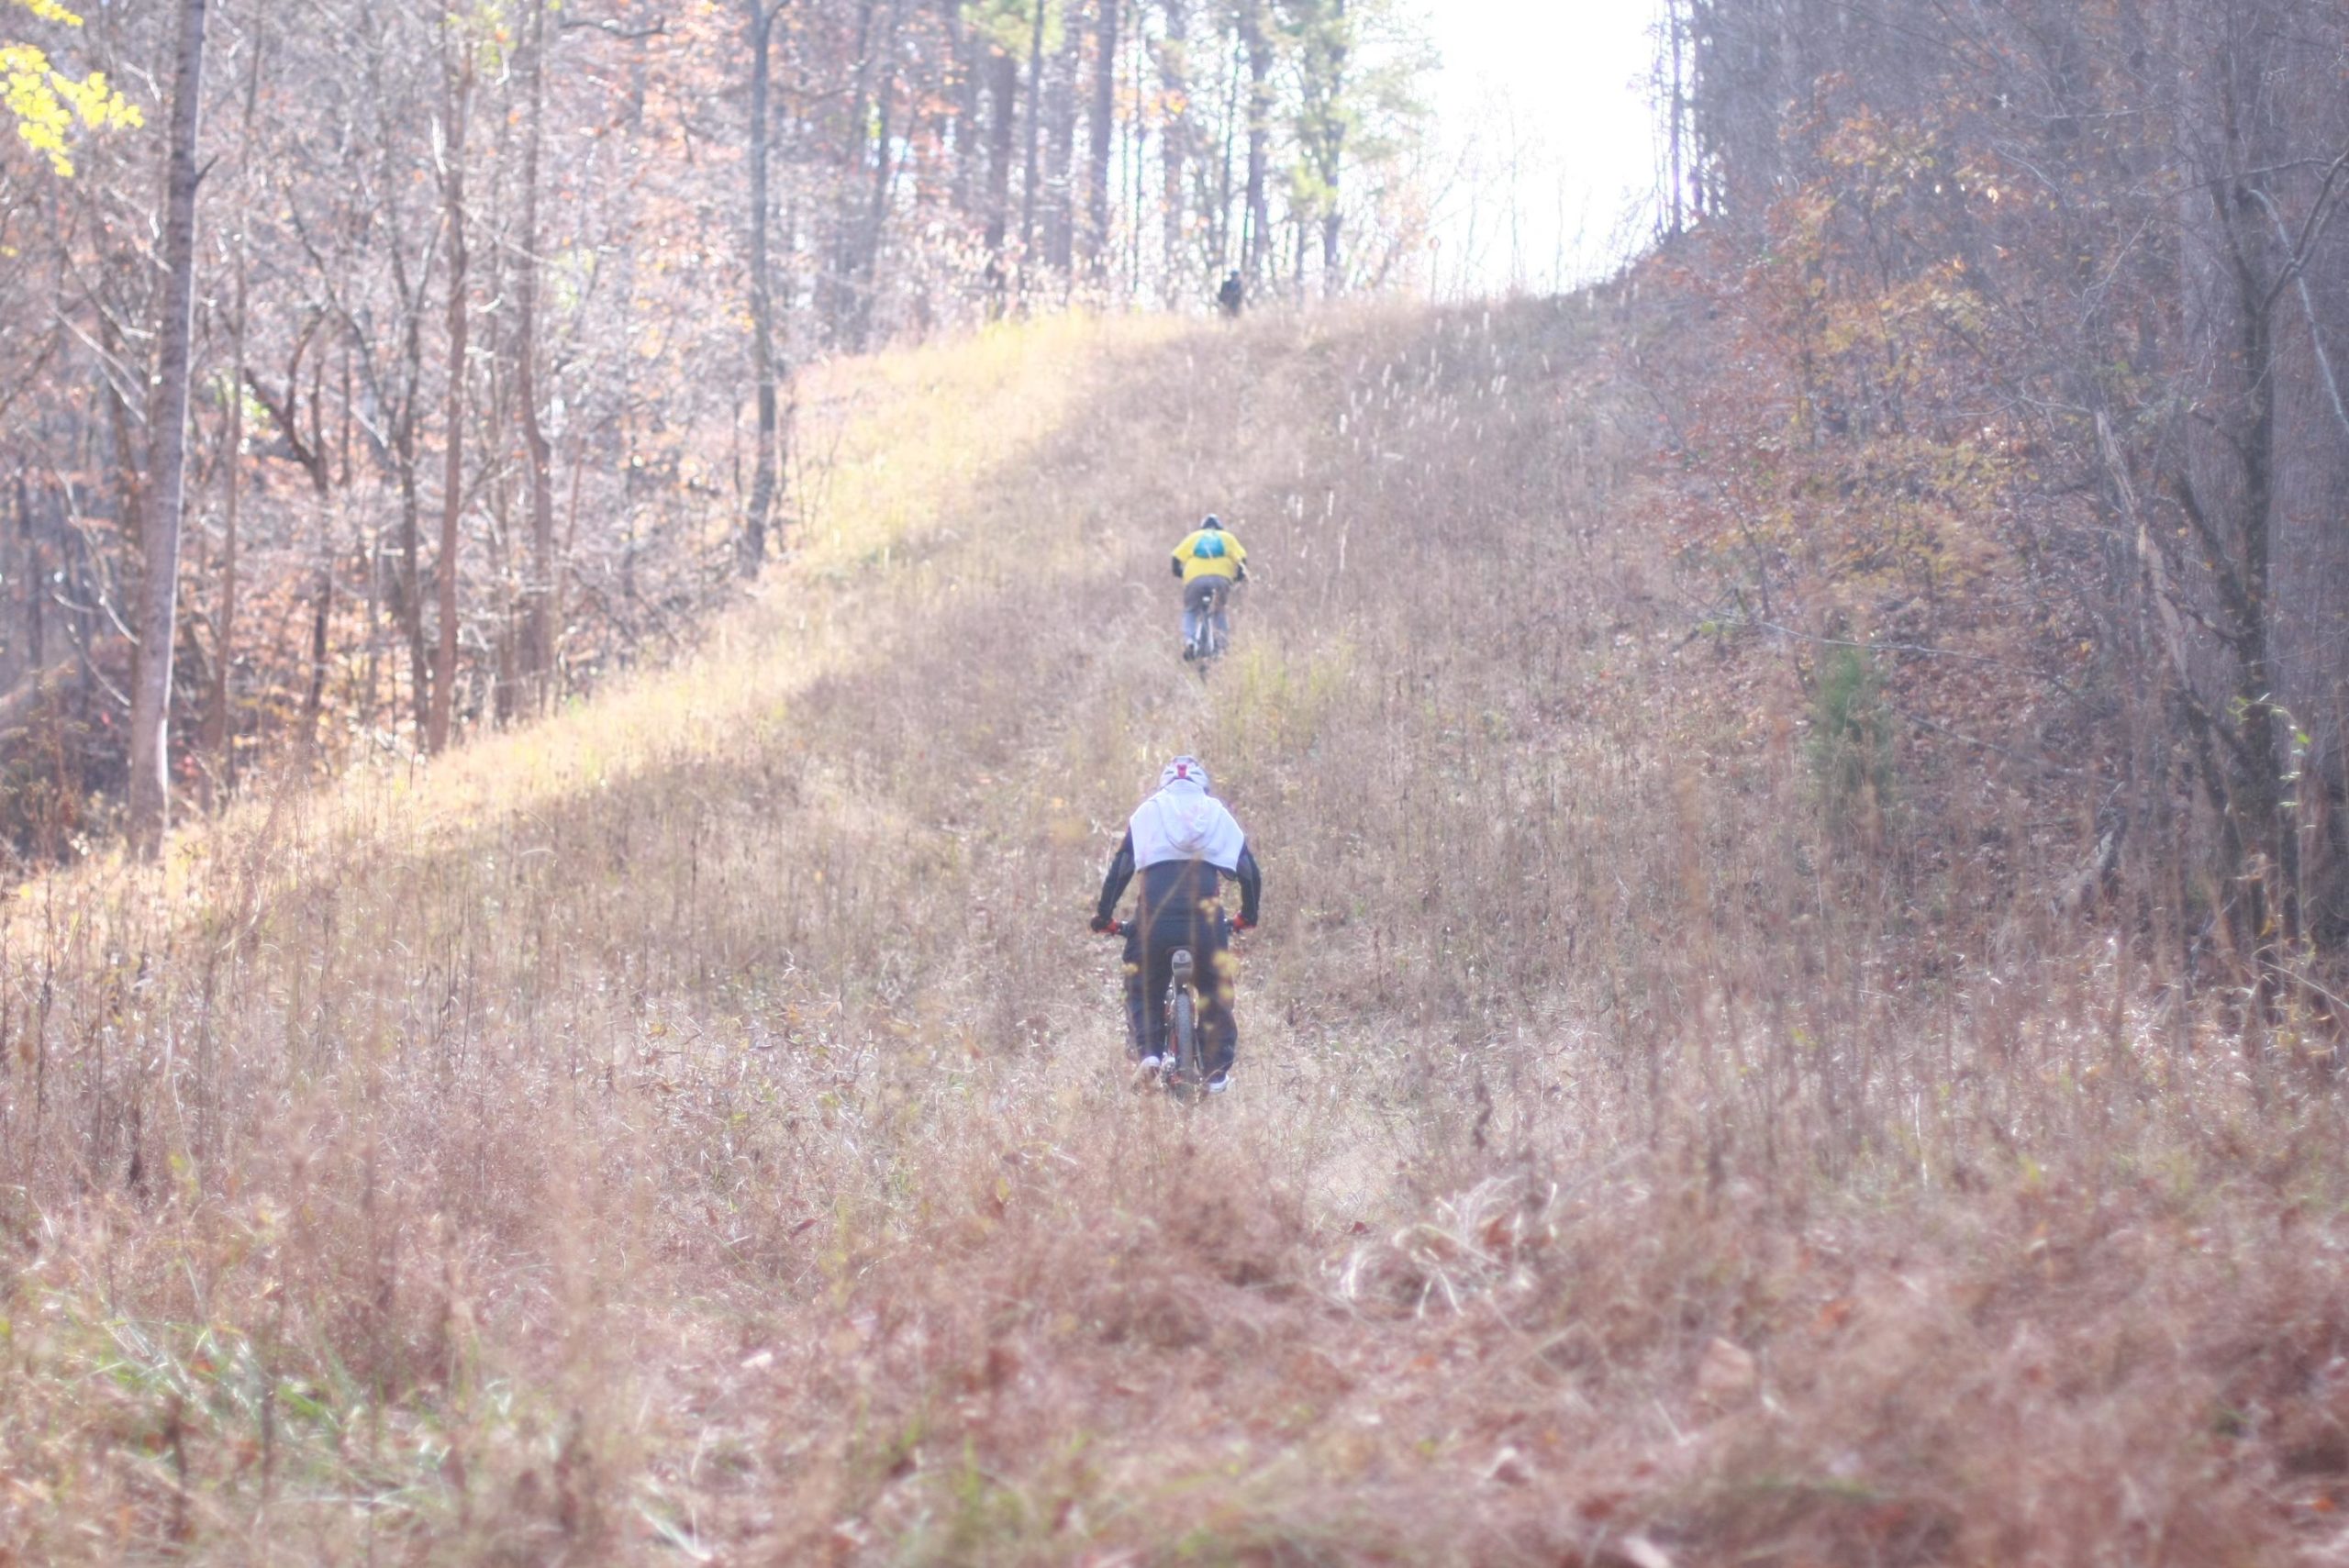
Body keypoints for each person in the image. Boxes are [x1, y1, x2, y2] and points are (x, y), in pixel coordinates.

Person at [1091, 756, 1263, 1093]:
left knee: (1142, 984)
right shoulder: (1215, 812)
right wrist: (1248, 916)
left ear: (1164, 784)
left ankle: (1150, 1053)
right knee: (1215, 990)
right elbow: (1249, 873)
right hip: (1206, 924)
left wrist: (1104, 916)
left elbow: (1121, 868)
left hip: (1154, 921)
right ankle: (1215, 1073)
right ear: (1203, 785)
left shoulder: (1148, 812)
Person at [1170, 515, 1247, 661]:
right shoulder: (1227, 537)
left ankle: (1190, 642)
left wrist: (1179, 573)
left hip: (1195, 579)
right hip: (1221, 579)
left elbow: (1175, 557)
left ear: (1202, 528)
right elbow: (1243, 559)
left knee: (1191, 611)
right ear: (1220, 528)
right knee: (1219, 611)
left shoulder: (1194, 537)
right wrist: (1239, 577)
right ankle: (1222, 646)